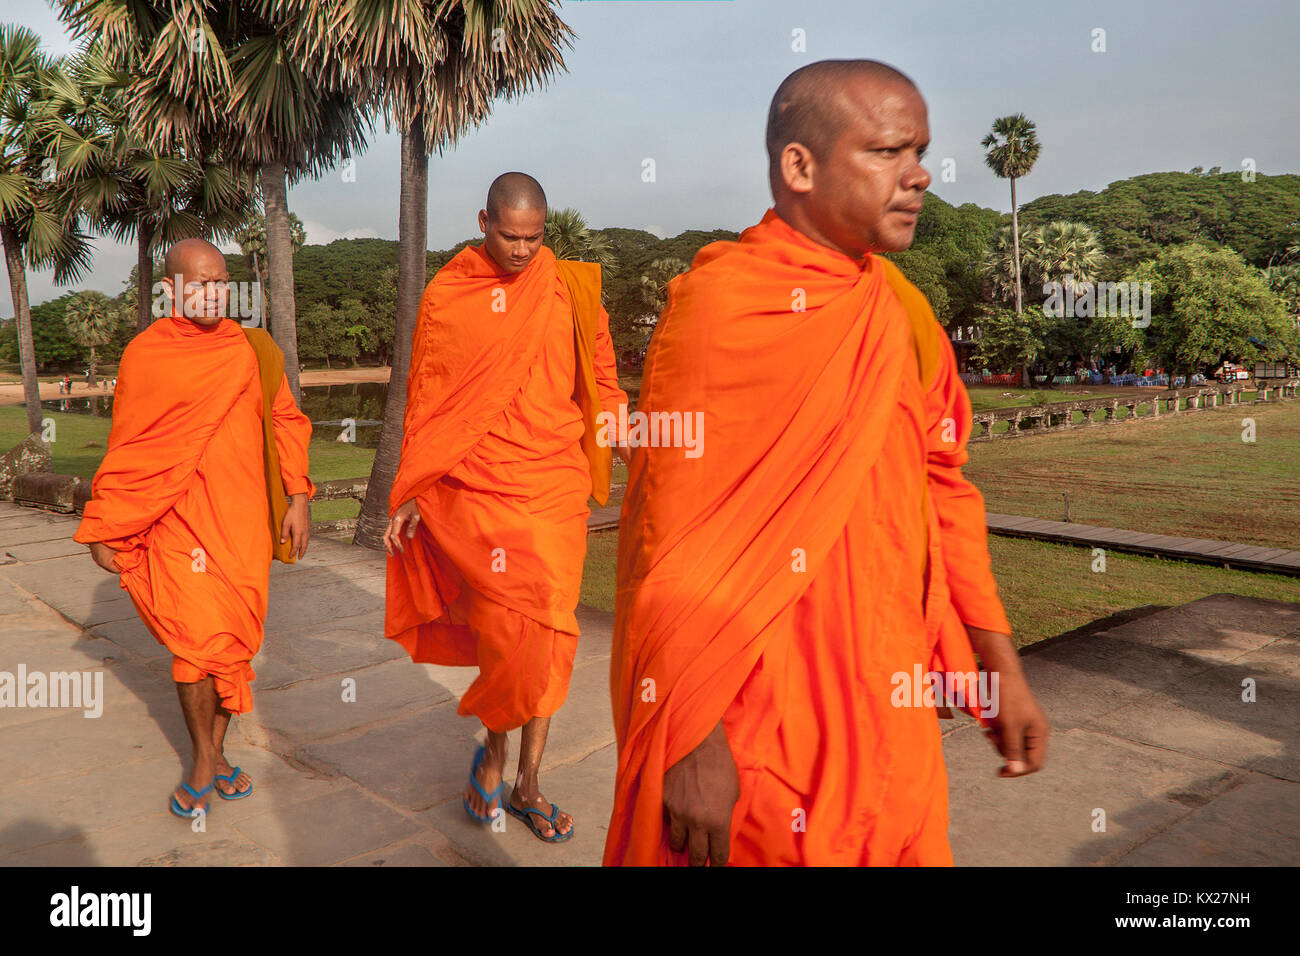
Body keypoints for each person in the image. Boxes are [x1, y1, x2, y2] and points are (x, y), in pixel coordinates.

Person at [605, 60, 1049, 866]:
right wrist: (688, 737)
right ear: (799, 166)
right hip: (759, 714)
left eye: (919, 150)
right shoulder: (720, 309)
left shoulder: (902, 312)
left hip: (888, 707)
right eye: (886, 151)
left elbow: (946, 492)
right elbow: (667, 540)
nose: (918, 176)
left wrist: (999, 667)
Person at [384, 173, 629, 843]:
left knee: (547, 631)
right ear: (484, 220)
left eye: (534, 237)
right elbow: (428, 398)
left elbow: (602, 378)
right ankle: (493, 751)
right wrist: (411, 487)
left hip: (553, 486)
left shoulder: (574, 288)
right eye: (509, 236)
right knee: (508, 638)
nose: (522, 251)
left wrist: (623, 434)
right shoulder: (450, 294)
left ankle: (528, 782)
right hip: (478, 492)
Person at [73, 238, 314, 819]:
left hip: (241, 525)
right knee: (194, 643)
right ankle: (204, 760)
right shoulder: (145, 356)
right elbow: (128, 446)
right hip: (176, 524)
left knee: (230, 645)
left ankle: (218, 752)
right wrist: (108, 525)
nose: (213, 293)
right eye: (199, 283)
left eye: (221, 281)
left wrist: (300, 496)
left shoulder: (254, 351)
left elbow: (286, 421)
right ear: (170, 291)